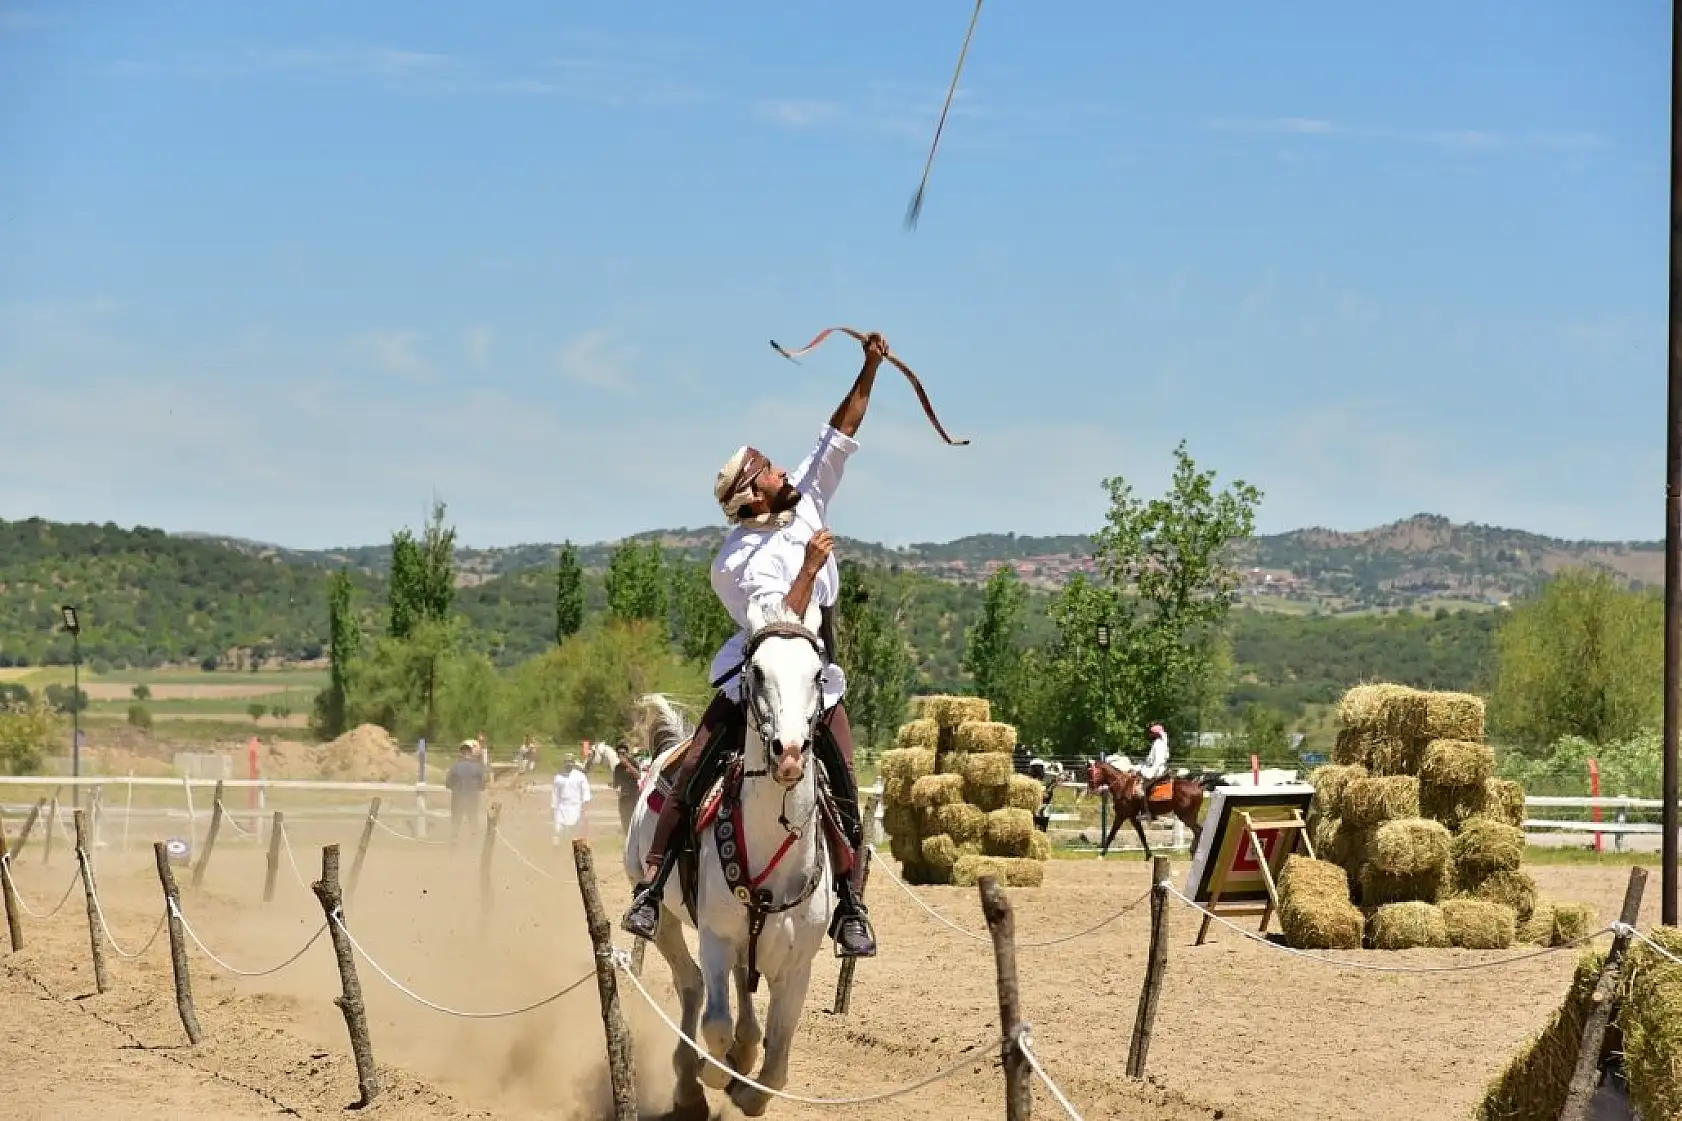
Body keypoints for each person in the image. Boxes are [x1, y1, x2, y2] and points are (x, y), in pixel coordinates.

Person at [620, 331, 892, 958]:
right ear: (754, 494)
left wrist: (869, 365)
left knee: (845, 779)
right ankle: (654, 880)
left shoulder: (805, 494)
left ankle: (849, 903)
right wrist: (808, 567)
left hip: (813, 676)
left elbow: (840, 430)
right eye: (770, 469)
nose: (782, 470)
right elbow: (777, 624)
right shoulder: (732, 563)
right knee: (691, 766)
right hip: (759, 674)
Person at [444, 740, 487, 845]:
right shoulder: (478, 768)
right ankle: (474, 843)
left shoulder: (455, 767)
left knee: (456, 822)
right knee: (473, 821)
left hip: (458, 799)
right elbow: (482, 786)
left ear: (461, 753)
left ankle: (453, 843)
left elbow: (448, 784)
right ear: (471, 753)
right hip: (472, 799)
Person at [551, 755, 593, 845]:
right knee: (557, 830)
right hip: (561, 807)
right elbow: (555, 794)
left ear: (573, 764)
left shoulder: (580, 776)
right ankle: (556, 849)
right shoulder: (558, 777)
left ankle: (574, 849)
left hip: (576, 807)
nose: (568, 765)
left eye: (570, 763)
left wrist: (585, 805)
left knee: (575, 831)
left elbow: (585, 791)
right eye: (566, 763)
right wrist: (554, 806)